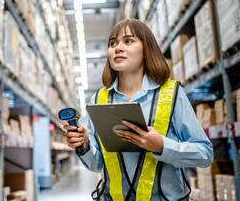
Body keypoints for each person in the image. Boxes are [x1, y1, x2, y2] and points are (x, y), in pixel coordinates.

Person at [64, 19, 213, 201]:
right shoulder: (98, 100)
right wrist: (85, 145)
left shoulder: (171, 94)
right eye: (113, 43)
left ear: (146, 48)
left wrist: (161, 146)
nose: (117, 48)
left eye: (128, 41)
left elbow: (205, 154)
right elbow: (98, 165)